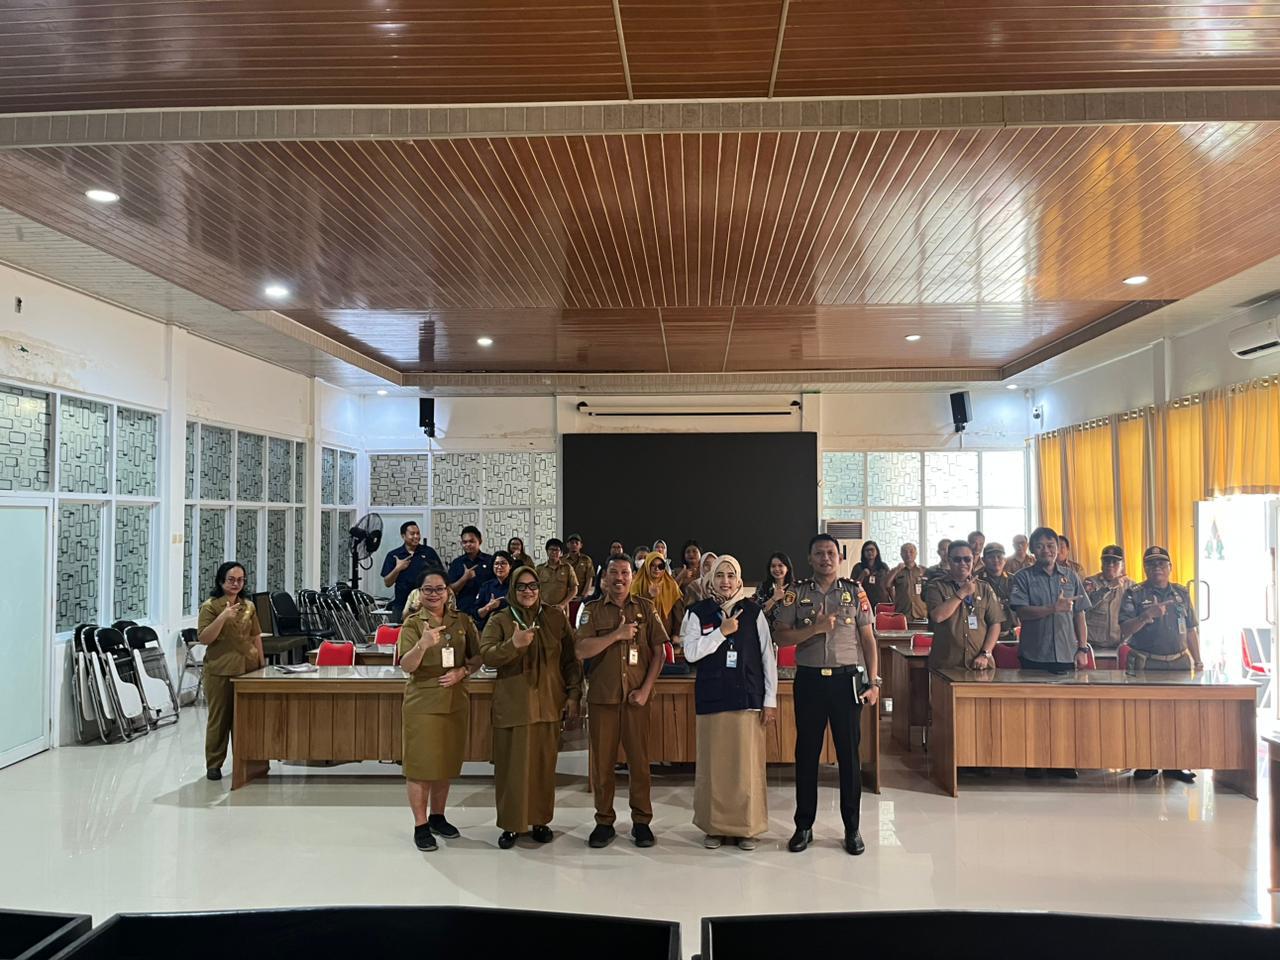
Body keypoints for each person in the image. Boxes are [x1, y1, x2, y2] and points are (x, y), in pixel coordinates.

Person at [772, 534, 880, 856]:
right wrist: (815, 629)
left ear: (840, 558)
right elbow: (781, 636)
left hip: (846, 681)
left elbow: (868, 639)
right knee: (807, 753)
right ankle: (804, 825)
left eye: (831, 553)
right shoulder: (796, 593)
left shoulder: (854, 591)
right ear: (809, 558)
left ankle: (852, 828)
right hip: (809, 680)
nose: (825, 558)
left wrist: (874, 682)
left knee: (849, 756)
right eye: (818, 553)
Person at [480, 566, 583, 849]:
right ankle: (511, 824)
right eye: (522, 586)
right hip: (514, 706)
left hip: (548, 704)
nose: (528, 591)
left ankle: (540, 821)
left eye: (533, 586)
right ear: (513, 589)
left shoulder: (554, 617)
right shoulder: (501, 619)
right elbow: (486, 655)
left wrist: (574, 693)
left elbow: (571, 659)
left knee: (543, 768)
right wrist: (513, 645)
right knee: (511, 770)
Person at [682, 555, 778, 851]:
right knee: (714, 768)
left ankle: (747, 828)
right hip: (712, 698)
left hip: (747, 699)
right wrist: (720, 633)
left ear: (739, 580)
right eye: (720, 575)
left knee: (745, 768)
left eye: (731, 575)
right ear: (711, 579)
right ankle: (714, 827)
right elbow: (691, 653)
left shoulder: (753, 612)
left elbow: (767, 657)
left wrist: (770, 700)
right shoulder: (697, 612)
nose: (725, 581)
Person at [575, 555, 668, 849]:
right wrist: (616, 635)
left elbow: (660, 653)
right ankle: (604, 822)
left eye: (625, 572)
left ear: (632, 577)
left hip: (636, 700)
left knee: (639, 764)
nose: (619, 578)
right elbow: (581, 650)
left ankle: (641, 822)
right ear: (605, 578)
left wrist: (645, 690)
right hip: (602, 699)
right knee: (602, 765)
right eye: (613, 572)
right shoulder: (592, 610)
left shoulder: (646, 607)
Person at [397, 569, 482, 851]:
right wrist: (422, 646)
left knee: (445, 762)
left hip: (454, 700)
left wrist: (463, 671)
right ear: (420, 593)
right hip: (423, 702)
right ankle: (420, 825)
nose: (433, 594)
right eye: (428, 589)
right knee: (420, 765)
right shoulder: (412, 624)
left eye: (439, 589)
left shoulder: (462, 621)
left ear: (448, 592)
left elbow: (477, 656)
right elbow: (407, 665)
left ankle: (438, 816)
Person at [1009, 526, 1092, 779]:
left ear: (1058, 549)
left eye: (1051, 545)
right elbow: (1022, 612)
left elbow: (1080, 615)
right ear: (1033, 550)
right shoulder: (1023, 577)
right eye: (1041, 546)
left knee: (1064, 711)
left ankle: (1062, 761)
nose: (1046, 550)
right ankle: (1034, 760)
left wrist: (1082, 648)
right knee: (1033, 711)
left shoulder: (1071, 576)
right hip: (1035, 653)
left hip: (1066, 653)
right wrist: (1052, 608)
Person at [1119, 547, 1202, 784]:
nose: (1157, 568)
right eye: (1152, 564)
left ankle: (1175, 764)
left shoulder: (1181, 593)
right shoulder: (1134, 594)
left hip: (1179, 662)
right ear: (1145, 568)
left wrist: (1198, 660)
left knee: (1178, 714)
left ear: (1170, 568)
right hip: (1147, 662)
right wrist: (1147, 616)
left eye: (1162, 564)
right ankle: (1146, 762)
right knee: (1145, 714)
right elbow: (1124, 629)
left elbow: (1191, 629)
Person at [197, 561, 264, 781]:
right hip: (220, 670)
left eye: (240, 580)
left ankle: (245, 761)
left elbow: (256, 636)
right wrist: (223, 617)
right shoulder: (210, 606)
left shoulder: (248, 606)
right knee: (220, 719)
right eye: (231, 580)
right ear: (221, 581)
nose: (236, 584)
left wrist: (261, 664)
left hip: (248, 668)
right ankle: (214, 764)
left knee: (246, 718)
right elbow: (204, 638)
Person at [927, 541, 1004, 670]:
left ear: (973, 560)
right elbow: (938, 616)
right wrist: (962, 593)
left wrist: (985, 654)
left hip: (979, 664)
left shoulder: (984, 588)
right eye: (957, 559)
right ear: (949, 560)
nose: (963, 563)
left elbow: (995, 624)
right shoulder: (936, 586)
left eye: (967, 559)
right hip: (947, 664)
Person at [381, 521, 443, 622]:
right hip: (401, 605)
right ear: (403, 536)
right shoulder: (394, 555)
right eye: (412, 534)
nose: (416, 536)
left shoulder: (429, 552)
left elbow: (441, 576)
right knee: (402, 631)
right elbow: (387, 583)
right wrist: (398, 568)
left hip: (426, 605)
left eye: (418, 533)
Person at [1083, 545, 1134, 650]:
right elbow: (1084, 607)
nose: (1110, 565)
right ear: (1101, 564)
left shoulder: (1131, 586)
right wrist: (1108, 588)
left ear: (1122, 565)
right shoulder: (1090, 582)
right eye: (1106, 561)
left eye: (1115, 562)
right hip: (1094, 645)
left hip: (1121, 646)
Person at [632, 552, 686, 644]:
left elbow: (678, 613)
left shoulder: (671, 585)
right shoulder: (637, 584)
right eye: (652, 565)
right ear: (647, 566)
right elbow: (632, 610)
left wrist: (677, 634)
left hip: (666, 635)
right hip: (642, 636)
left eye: (660, 566)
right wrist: (648, 597)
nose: (656, 569)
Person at [448, 526, 494, 619]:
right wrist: (464, 578)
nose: (468, 544)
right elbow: (450, 590)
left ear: (480, 541)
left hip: (486, 609)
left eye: (471, 541)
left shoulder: (490, 561)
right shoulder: (457, 563)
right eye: (465, 542)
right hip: (464, 610)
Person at [976, 542, 1019, 642]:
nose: (996, 560)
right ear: (983, 560)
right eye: (991, 557)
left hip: (1010, 634)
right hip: (983, 636)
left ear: (1005, 560)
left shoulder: (1014, 580)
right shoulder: (976, 580)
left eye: (999, 556)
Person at [885, 542, 928, 621]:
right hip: (903, 614)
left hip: (921, 614)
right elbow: (887, 585)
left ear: (916, 553)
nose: (908, 554)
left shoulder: (923, 570)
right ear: (901, 555)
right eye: (905, 552)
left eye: (911, 551)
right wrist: (897, 570)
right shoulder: (896, 571)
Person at [536, 538, 579, 615]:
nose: (554, 552)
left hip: (561, 609)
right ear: (547, 551)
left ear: (561, 553)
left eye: (557, 550)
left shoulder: (567, 568)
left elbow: (574, 589)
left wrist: (563, 604)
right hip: (543, 609)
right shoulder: (539, 569)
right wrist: (541, 602)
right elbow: (534, 588)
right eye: (551, 549)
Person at [474, 550, 514, 629]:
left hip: (511, 627)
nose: (499, 567)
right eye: (496, 564)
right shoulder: (486, 586)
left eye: (503, 563)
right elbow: (477, 614)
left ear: (510, 566)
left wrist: (501, 603)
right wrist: (488, 607)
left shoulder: (515, 585)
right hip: (489, 628)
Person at [754, 552, 795, 620]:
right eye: (773, 566)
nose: (776, 569)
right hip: (766, 626)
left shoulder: (795, 588)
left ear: (787, 568)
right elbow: (756, 613)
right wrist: (774, 598)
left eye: (780, 565)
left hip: (789, 626)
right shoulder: (762, 587)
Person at [850, 540, 890, 609]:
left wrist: (896, 603)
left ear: (877, 552)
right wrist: (862, 575)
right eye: (867, 550)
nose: (869, 552)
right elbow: (852, 587)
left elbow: (890, 586)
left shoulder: (883, 567)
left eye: (872, 550)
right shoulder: (858, 567)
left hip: (883, 604)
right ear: (863, 553)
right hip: (864, 604)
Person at [565, 534, 595, 601]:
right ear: (567, 545)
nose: (574, 545)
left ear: (581, 545)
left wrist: (583, 596)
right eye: (572, 543)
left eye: (576, 543)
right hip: (565, 597)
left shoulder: (586, 560)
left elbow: (589, 579)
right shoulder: (562, 560)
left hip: (581, 596)